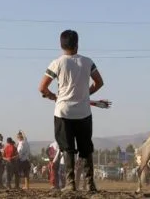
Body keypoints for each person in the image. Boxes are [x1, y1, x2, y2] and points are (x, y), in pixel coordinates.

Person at [39, 30, 104, 192]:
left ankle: (70, 184)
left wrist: (52, 96)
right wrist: (85, 93)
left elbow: (42, 87)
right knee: (86, 148)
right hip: (83, 112)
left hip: (63, 112)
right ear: (77, 44)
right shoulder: (87, 62)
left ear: (61, 45)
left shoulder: (57, 63)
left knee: (68, 148)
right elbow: (99, 82)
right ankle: (90, 184)